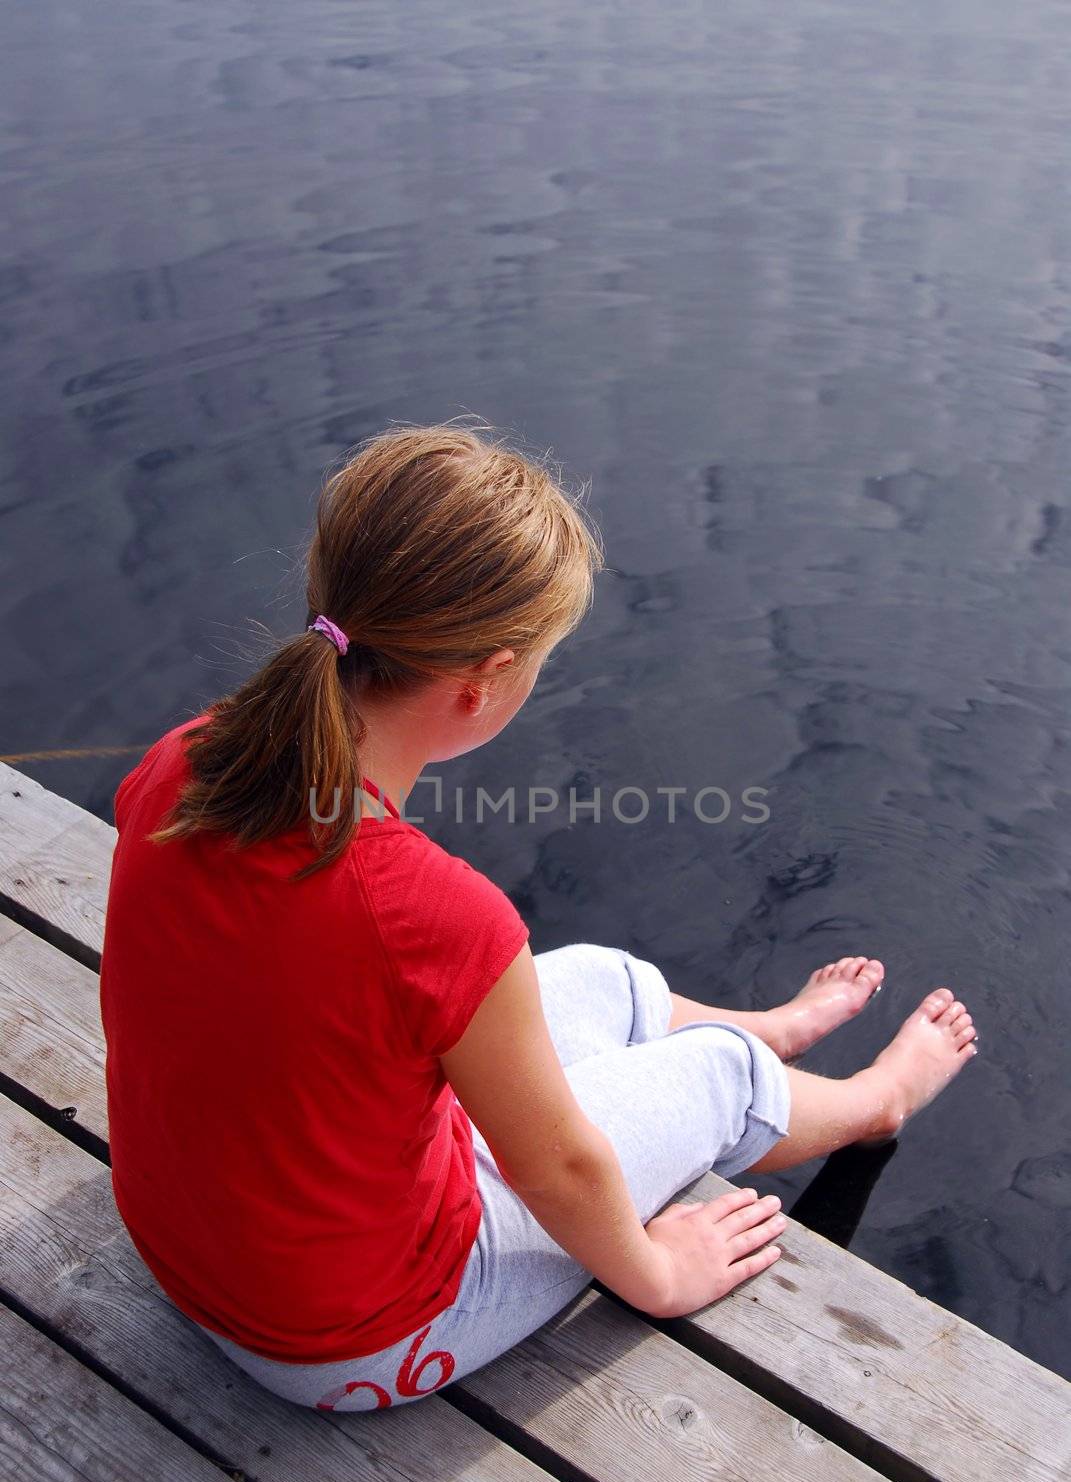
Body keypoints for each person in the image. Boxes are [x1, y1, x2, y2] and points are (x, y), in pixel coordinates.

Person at [100, 421, 978, 1413]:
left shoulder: (186, 758)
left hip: (195, 1249)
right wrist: (658, 1273)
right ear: (480, 688)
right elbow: (557, 1170)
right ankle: (871, 1097)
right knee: (716, 1078)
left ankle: (774, 1032)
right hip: (345, 1338)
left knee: (597, 976)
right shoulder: (435, 915)